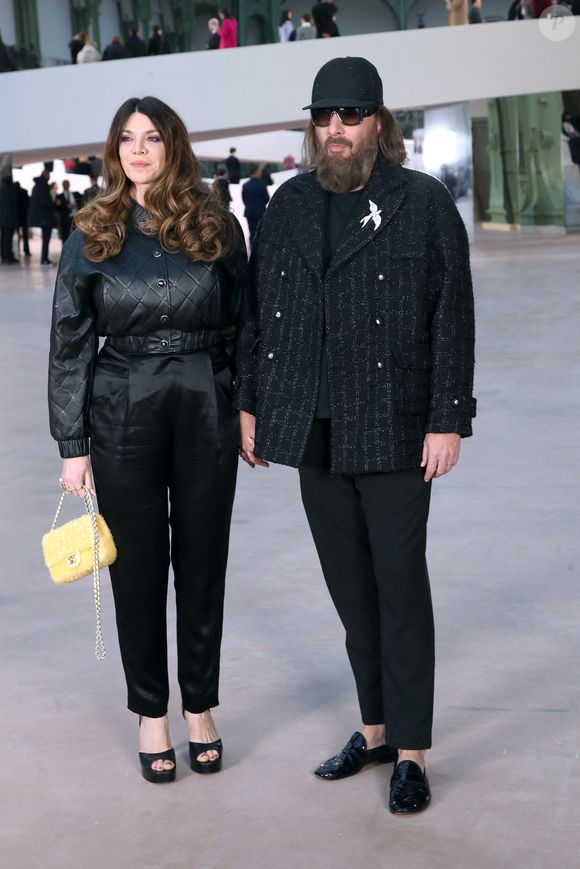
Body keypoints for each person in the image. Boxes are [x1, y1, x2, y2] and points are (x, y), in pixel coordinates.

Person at [234, 57, 476, 815]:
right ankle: (373, 729)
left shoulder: (423, 203)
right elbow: (257, 315)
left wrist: (447, 418)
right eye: (324, 117)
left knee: (401, 588)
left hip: (397, 427)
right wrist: (250, 403)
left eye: (350, 116)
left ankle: (411, 751)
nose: (334, 130)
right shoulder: (289, 205)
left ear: (378, 121)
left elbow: (453, 318)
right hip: (314, 430)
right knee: (351, 593)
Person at [48, 95, 247, 784]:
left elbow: (244, 323)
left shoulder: (215, 222)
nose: (138, 149)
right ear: (114, 150)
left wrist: (244, 406)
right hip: (121, 404)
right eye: (126, 138)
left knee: (202, 560)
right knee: (133, 566)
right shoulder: (92, 231)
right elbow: (70, 341)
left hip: (205, 401)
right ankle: (151, 713)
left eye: (152, 137)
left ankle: (199, 707)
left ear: (174, 146)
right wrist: (72, 442)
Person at [28, 169, 56, 265]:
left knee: (45, 239)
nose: (50, 177)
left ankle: (44, 258)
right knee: (46, 239)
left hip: (41, 217)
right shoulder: (43, 186)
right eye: (48, 175)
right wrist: (54, 203)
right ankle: (44, 259)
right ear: (45, 175)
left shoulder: (37, 186)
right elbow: (46, 202)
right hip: (45, 217)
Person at [241, 165, 270, 246]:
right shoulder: (262, 184)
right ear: (256, 172)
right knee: (260, 233)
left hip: (249, 212)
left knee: (252, 232)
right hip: (260, 212)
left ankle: (252, 250)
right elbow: (267, 198)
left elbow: (244, 199)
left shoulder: (245, 185)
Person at [0, 176, 18, 263]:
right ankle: (8, 257)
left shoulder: (1, 190)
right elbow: (12, 207)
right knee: (8, 239)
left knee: (4, 239)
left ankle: (4, 256)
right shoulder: (10, 191)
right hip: (9, 220)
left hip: (2, 220)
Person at [14, 181, 30, 258]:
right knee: (25, 235)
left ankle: (18, 251)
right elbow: (28, 204)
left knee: (17, 236)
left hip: (16, 217)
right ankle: (26, 251)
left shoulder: (13, 193)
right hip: (24, 216)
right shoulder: (24, 192)